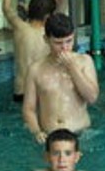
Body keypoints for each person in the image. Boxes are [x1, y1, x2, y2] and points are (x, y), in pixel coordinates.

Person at [23, 13, 99, 143]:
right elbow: (28, 109)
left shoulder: (85, 62)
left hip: (81, 134)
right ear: (46, 39)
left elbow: (92, 97)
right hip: (50, 136)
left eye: (69, 41)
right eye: (58, 43)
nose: (65, 48)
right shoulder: (35, 69)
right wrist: (37, 132)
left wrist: (73, 68)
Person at [1, 0, 56, 102]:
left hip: (21, 92)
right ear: (47, 17)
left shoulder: (20, 28)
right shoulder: (49, 35)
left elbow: (6, 6)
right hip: (40, 94)